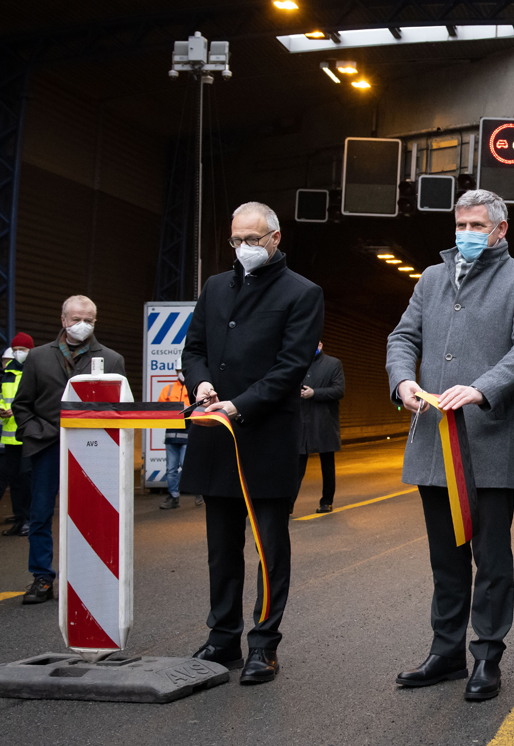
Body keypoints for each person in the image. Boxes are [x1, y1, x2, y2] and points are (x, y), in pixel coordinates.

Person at [388, 189, 514, 701]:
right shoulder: (432, 279)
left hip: (489, 444)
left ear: (501, 230)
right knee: (445, 558)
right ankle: (445, 652)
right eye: (460, 224)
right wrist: (401, 382)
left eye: (477, 226)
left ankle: (487, 656)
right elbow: (403, 337)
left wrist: (483, 388)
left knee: (492, 558)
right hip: (433, 443)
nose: (466, 234)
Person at [181, 202, 324, 685]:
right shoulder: (215, 287)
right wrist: (200, 385)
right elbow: (193, 347)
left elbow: (290, 367)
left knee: (268, 547)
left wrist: (239, 405)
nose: (243, 249)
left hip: (265, 439)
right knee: (221, 547)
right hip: (215, 438)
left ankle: (263, 644)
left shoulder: (302, 294)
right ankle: (223, 637)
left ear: (275, 239)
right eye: (236, 240)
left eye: (252, 240)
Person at [13, 298, 125, 604]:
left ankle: (88, 576)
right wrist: (34, 433)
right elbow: (21, 404)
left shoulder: (112, 360)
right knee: (40, 513)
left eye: (89, 320)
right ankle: (41, 577)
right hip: (47, 446)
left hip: (92, 449)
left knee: (91, 514)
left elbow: (119, 409)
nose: (83, 325)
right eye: (77, 318)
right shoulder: (37, 358)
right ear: (63, 320)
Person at [294, 341, 344, 515]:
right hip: (301, 420)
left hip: (324, 421)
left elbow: (339, 390)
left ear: (321, 345)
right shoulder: (298, 364)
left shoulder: (333, 364)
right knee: (297, 465)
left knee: (327, 464)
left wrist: (314, 393)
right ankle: (288, 503)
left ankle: (327, 501)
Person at [1, 334, 33, 537]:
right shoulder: (7, 374)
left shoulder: (34, 371)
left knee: (27, 480)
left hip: (28, 435)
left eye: (23, 348)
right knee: (14, 482)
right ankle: (19, 520)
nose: (19, 352)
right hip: (9, 437)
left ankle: (29, 520)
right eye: (16, 349)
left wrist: (19, 409)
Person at [156, 360, 193, 510]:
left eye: (183, 369)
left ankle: (198, 492)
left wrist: (188, 409)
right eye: (179, 369)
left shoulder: (193, 389)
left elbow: (200, 410)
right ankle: (173, 496)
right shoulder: (168, 389)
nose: (181, 372)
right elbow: (159, 409)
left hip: (187, 434)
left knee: (186, 466)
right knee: (171, 468)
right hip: (171, 435)